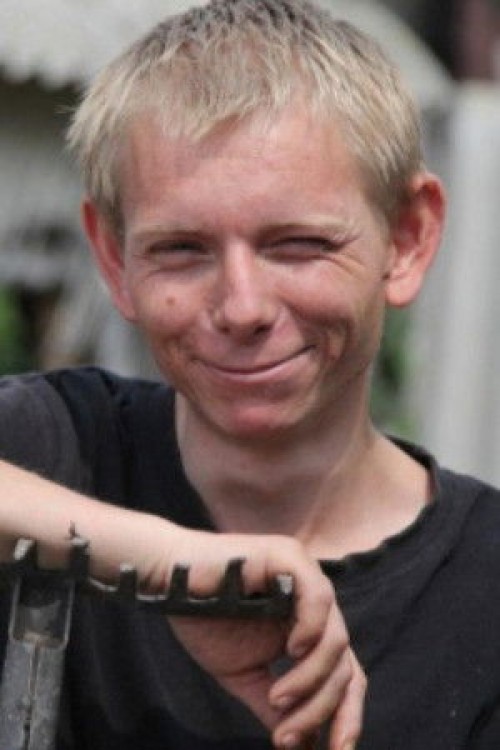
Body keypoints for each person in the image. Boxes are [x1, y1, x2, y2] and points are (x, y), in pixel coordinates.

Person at [1, 0, 500, 748]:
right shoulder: (61, 447)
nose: (242, 308)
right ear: (113, 257)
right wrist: (162, 561)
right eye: (181, 250)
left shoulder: (483, 584)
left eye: (298, 244)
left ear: (407, 237)